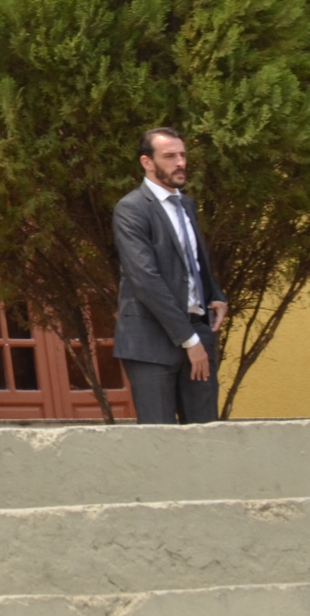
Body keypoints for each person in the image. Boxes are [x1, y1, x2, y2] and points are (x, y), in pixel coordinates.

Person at [111, 128, 227, 425]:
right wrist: (189, 342)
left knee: (205, 437)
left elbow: (193, 261)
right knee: (159, 444)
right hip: (151, 343)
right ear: (147, 162)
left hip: (197, 331)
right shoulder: (131, 209)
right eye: (170, 156)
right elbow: (145, 280)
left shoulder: (186, 205)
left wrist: (215, 295)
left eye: (183, 155)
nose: (180, 163)